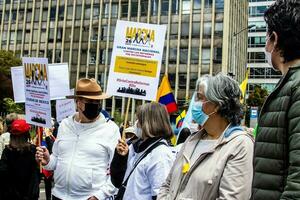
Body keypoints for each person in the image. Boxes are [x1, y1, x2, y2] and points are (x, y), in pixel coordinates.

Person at [158, 73, 254, 200]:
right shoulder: (191, 140)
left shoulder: (240, 145)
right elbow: (166, 186)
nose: (194, 103)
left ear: (218, 105)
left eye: (199, 97)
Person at [36, 78, 120, 200]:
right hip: (58, 195)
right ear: (78, 102)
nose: (95, 105)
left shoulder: (110, 129)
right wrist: (48, 161)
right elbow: (57, 159)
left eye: (97, 102)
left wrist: (100, 195)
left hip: (89, 198)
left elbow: (117, 170)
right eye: (90, 101)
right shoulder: (65, 124)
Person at [252, 1, 300, 199]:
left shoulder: (296, 88)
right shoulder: (288, 86)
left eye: (266, 38)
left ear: (275, 38)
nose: (265, 46)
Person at [110, 102, 175, 200]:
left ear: (149, 124)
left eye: (139, 120)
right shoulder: (135, 147)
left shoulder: (161, 155)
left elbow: (160, 195)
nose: (136, 124)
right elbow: (118, 181)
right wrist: (121, 158)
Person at [0, 119, 40, 200]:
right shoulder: (33, 150)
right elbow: (36, 177)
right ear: (27, 136)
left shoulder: (7, 151)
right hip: (26, 195)